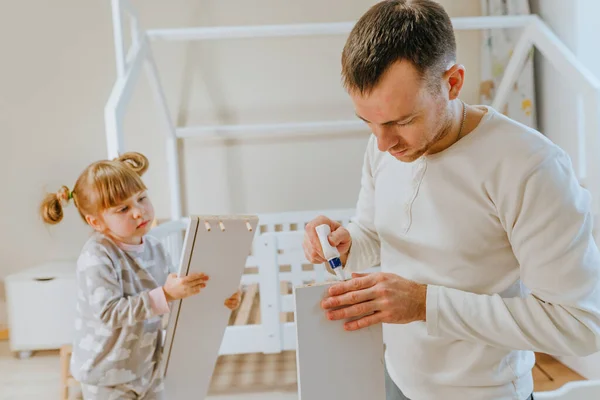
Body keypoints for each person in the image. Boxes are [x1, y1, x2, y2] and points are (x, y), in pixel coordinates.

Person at [302, 1, 600, 399]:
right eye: (368, 123)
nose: (383, 143)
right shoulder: (383, 147)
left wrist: (425, 304)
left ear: (453, 83)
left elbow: (581, 325)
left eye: (401, 121)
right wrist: (346, 242)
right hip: (397, 379)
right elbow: (375, 233)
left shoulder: (530, 167)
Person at [40, 152, 241, 400]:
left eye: (142, 198)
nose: (138, 212)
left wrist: (217, 297)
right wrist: (167, 294)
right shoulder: (97, 256)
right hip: (107, 374)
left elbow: (174, 294)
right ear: (96, 222)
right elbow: (109, 313)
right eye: (123, 208)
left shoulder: (154, 247)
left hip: (147, 366)